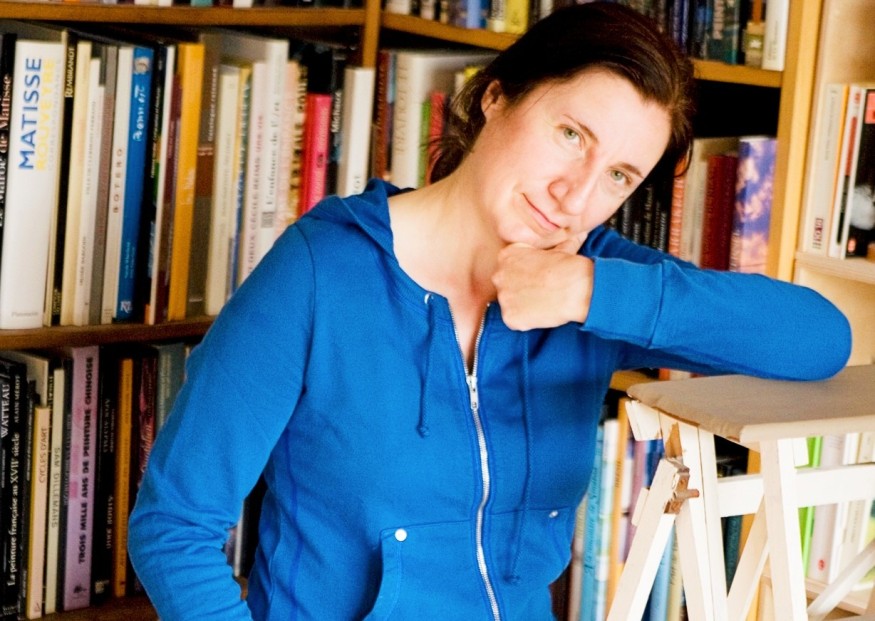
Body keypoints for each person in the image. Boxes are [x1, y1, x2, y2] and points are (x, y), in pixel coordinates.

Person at [128, 3, 852, 619]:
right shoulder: (321, 272)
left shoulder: (596, 279)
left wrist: (587, 292)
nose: (575, 194)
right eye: (571, 135)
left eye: (617, 175)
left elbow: (819, 337)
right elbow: (173, 528)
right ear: (495, 97)